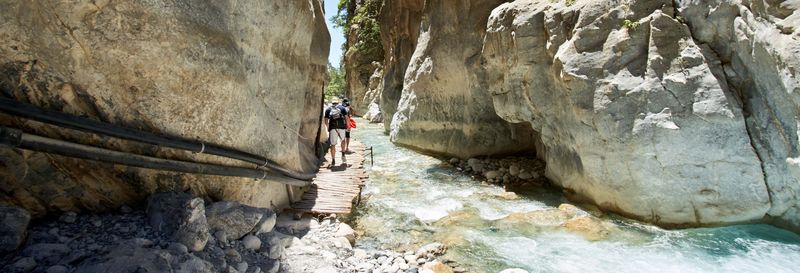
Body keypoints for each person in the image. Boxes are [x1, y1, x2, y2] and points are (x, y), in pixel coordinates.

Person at [324, 99, 348, 166]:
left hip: (333, 128)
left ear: (332, 103)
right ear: (338, 102)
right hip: (342, 128)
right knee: (343, 140)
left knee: (333, 144)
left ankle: (333, 160)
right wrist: (348, 126)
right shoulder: (342, 108)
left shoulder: (328, 109)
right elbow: (346, 118)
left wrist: (328, 127)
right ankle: (343, 154)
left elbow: (325, 120)